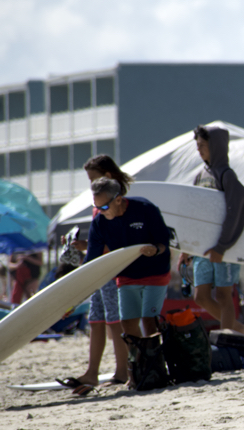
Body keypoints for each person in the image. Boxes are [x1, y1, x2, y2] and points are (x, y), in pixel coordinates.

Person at [56, 155, 133, 396]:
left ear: (107, 176)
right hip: (99, 269)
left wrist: (86, 246)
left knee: (114, 320)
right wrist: (80, 246)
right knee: (96, 319)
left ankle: (122, 372)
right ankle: (92, 372)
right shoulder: (99, 204)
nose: (90, 185)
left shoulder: (117, 203)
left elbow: (118, 243)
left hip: (111, 269)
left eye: (93, 179)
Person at [179, 125, 244, 334]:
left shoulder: (226, 175)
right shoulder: (200, 175)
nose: (198, 149)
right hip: (201, 247)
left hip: (223, 247)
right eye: (197, 145)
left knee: (223, 296)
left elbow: (239, 205)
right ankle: (238, 329)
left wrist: (222, 246)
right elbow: (194, 214)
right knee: (200, 297)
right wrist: (187, 248)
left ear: (216, 146)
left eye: (202, 145)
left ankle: (227, 340)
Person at [84, 178, 171, 351]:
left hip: (155, 272)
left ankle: (156, 363)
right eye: (96, 207)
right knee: (128, 324)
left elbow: (164, 241)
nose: (100, 211)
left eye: (104, 207)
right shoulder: (100, 222)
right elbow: (91, 260)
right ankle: (140, 363)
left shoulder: (145, 208)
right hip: (126, 276)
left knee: (149, 320)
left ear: (118, 199)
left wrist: (155, 249)